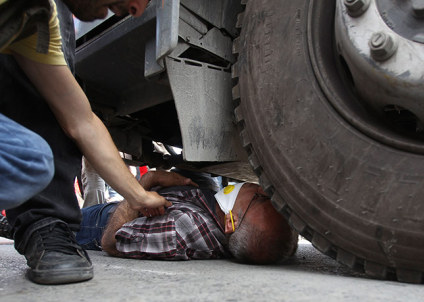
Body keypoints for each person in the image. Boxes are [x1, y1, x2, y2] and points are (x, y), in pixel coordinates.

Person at [0, 0, 166, 285]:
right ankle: (43, 220)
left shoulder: (38, 20)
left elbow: (81, 121)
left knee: (29, 163)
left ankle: (46, 224)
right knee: (32, 160)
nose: (138, 9)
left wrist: (140, 195)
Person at [76, 171, 298, 264]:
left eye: (260, 198)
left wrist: (147, 181)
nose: (262, 189)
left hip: (94, 224)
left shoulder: (182, 229)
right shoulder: (218, 216)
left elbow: (110, 242)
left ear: (232, 222)